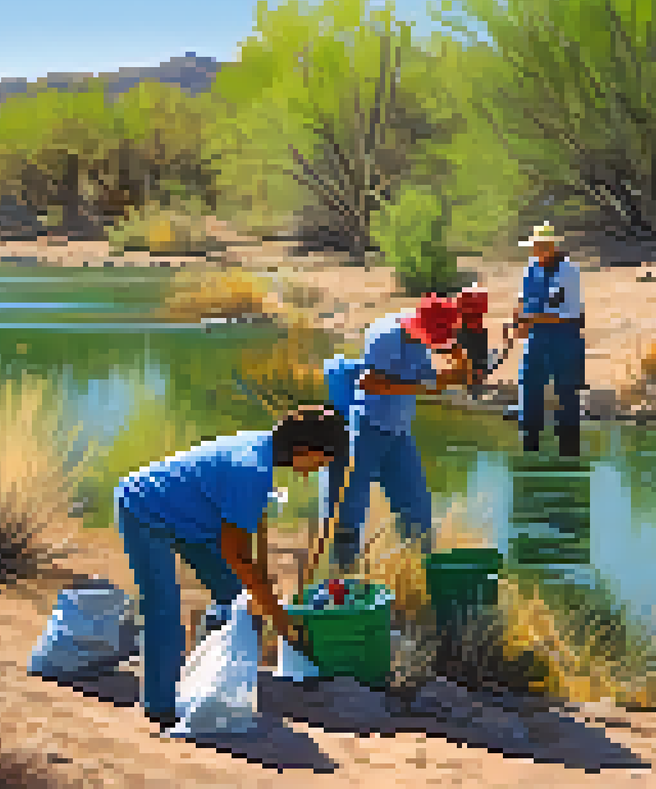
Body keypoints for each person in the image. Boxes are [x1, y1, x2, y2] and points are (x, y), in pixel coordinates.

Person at [115, 405, 347, 731]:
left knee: (235, 597)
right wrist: (278, 616)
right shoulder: (251, 470)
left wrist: (264, 600)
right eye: (320, 462)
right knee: (164, 609)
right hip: (145, 509)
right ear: (304, 450)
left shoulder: (263, 454)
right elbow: (237, 554)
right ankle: (160, 705)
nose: (314, 471)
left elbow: (239, 556)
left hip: (192, 517)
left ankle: (211, 670)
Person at [321, 298, 470, 572]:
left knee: (417, 508)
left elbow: (435, 378)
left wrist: (457, 358)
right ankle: (343, 577)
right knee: (349, 509)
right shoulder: (386, 335)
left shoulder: (421, 339)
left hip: (398, 433)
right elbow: (371, 382)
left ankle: (420, 573)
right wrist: (429, 384)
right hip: (365, 428)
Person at [512, 221, 587, 457]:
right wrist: (518, 321)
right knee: (529, 386)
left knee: (566, 391)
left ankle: (568, 444)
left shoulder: (569, 271)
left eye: (541, 246)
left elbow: (570, 314)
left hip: (564, 336)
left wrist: (530, 318)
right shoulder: (531, 267)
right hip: (536, 335)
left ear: (552, 246)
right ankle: (529, 439)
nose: (537, 251)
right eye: (535, 246)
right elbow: (523, 299)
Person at [457, 283, 490, 389]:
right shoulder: (480, 296)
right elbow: (484, 309)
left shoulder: (464, 297)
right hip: (476, 331)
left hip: (467, 330)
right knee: (478, 358)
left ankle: (471, 380)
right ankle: (476, 379)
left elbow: (460, 311)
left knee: (469, 356)